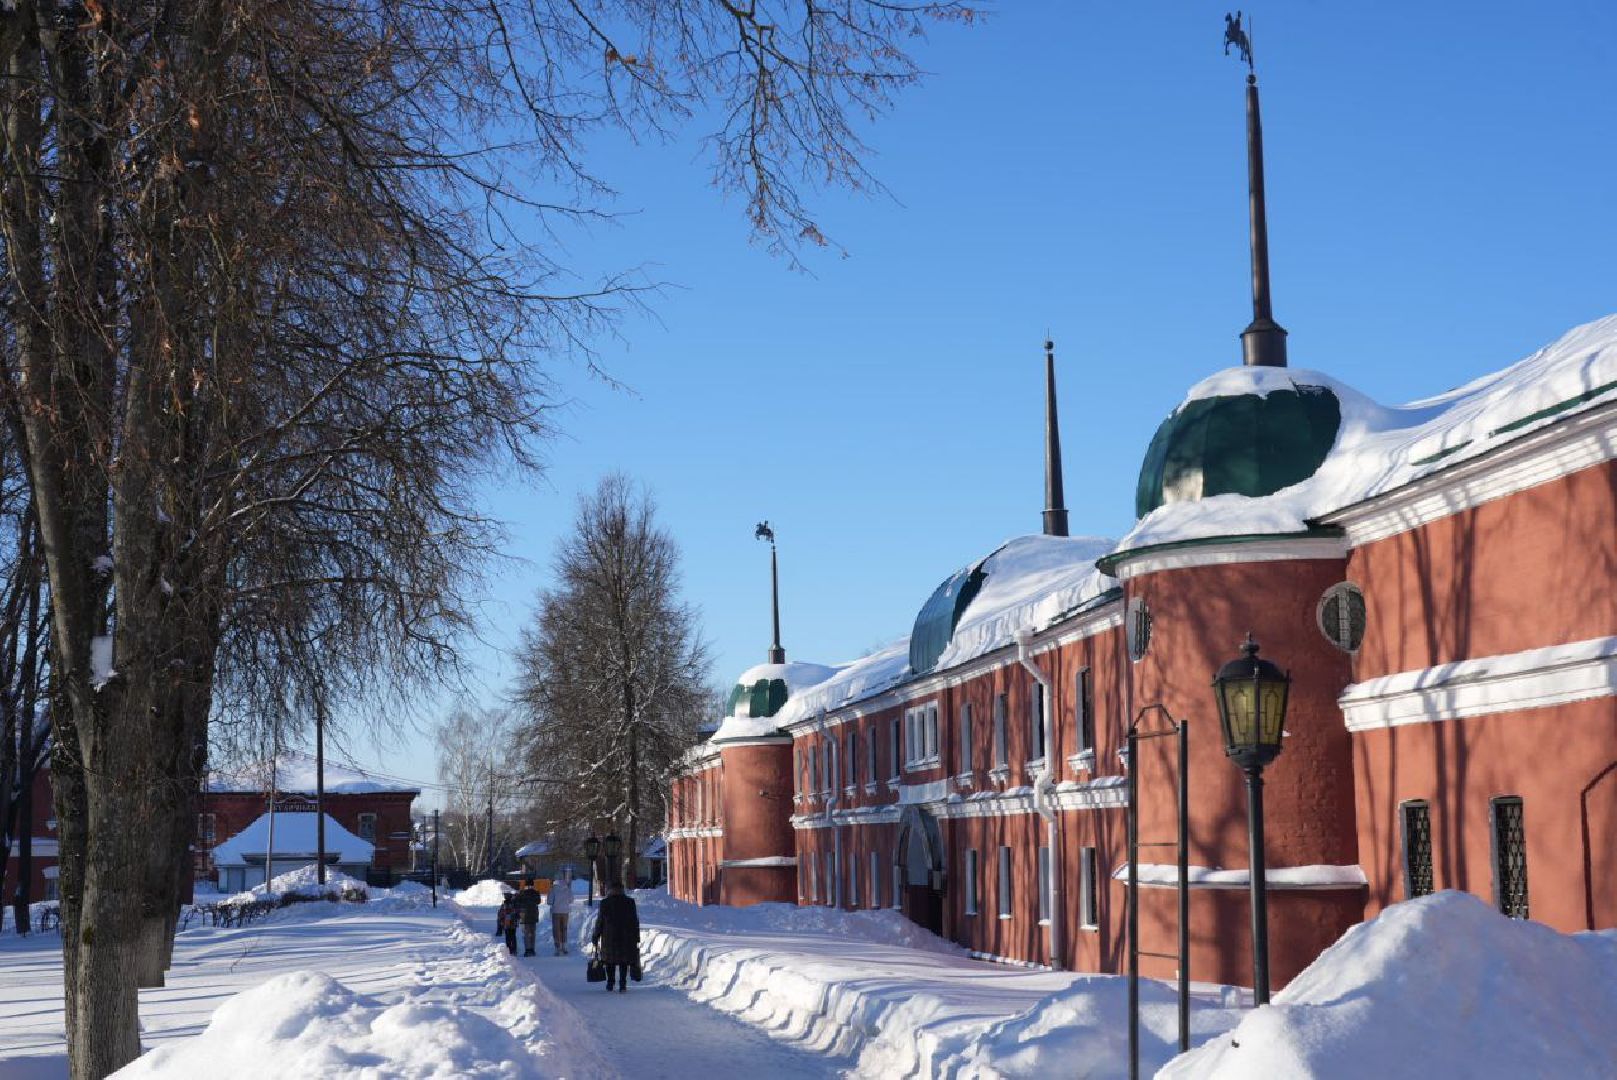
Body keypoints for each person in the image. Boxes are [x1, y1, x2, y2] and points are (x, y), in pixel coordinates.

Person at [591, 881, 640, 992]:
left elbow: (600, 921)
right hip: (626, 936)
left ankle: (610, 983)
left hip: (609, 936)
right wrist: (636, 937)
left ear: (610, 890)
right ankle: (622, 984)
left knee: (609, 961)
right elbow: (634, 921)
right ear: (622, 890)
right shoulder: (630, 902)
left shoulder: (605, 903)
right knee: (624, 961)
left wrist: (596, 935)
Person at [549, 868, 575, 955]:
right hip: (565, 912)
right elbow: (571, 900)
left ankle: (557, 947)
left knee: (556, 929)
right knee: (564, 928)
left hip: (556, 911)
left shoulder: (553, 889)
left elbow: (549, 901)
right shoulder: (567, 889)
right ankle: (564, 946)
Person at [514, 879, 542, 957]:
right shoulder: (536, 893)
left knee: (526, 933)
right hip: (533, 914)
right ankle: (532, 949)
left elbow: (517, 903)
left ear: (525, 885)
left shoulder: (522, 893)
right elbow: (538, 902)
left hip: (524, 915)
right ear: (533, 885)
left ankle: (527, 950)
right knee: (532, 933)